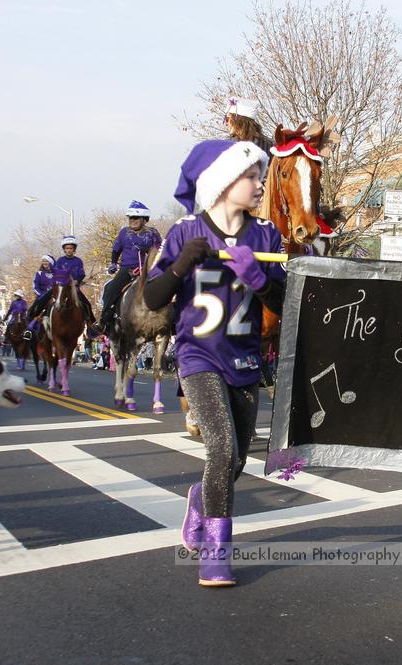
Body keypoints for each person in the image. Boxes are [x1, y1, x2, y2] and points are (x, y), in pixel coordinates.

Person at [144, 139, 285, 586]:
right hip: (198, 355)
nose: (260, 185)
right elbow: (152, 297)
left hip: (245, 359)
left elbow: (282, 302)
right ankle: (215, 553)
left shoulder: (266, 236)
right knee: (220, 450)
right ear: (224, 182)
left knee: (237, 460)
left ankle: (199, 503)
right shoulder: (184, 231)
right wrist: (181, 264)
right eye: (252, 177)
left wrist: (259, 278)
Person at [97, 200, 162, 331]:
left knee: (167, 287)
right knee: (110, 289)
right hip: (128, 269)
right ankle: (104, 320)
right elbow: (116, 250)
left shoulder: (153, 233)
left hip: (148, 269)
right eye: (130, 217)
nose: (132, 220)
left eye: (136, 217)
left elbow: (160, 252)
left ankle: (171, 321)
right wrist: (113, 263)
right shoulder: (123, 232)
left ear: (144, 219)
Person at [25, 236, 98, 331]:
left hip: (73, 288)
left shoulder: (78, 261)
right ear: (64, 249)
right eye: (67, 248)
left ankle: (91, 326)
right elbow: (55, 273)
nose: (69, 250)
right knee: (42, 299)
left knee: (86, 304)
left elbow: (81, 274)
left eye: (71, 248)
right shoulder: (60, 261)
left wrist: (76, 281)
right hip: (61, 287)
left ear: (74, 249)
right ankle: (30, 318)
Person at [23, 254, 55, 341]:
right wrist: (43, 295)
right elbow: (35, 287)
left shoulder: (57, 274)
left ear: (51, 263)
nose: (45, 263)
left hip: (55, 297)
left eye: (47, 261)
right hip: (42, 297)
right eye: (43, 261)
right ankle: (28, 330)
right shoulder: (39, 273)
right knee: (31, 312)